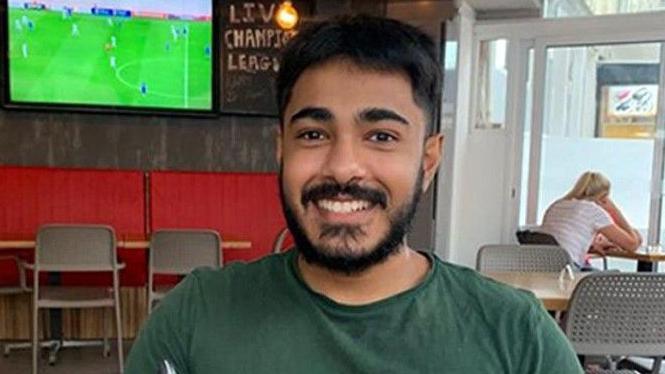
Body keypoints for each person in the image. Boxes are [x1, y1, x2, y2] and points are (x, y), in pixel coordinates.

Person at [125, 15, 583, 373]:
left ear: (428, 161)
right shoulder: (195, 316)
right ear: (280, 150)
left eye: (381, 136)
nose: (343, 166)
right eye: (312, 134)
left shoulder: (517, 336)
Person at [539, 171, 642, 268]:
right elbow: (632, 244)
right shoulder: (593, 210)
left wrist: (590, 245)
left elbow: (563, 237)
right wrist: (614, 210)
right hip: (567, 270)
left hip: (540, 265)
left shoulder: (556, 205)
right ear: (603, 197)